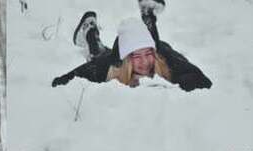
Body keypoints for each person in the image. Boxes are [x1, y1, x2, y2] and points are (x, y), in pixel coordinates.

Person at [51, 0, 212, 91]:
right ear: (127, 59)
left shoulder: (165, 58)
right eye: (136, 57)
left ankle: (148, 15)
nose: (144, 62)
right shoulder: (109, 66)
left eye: (147, 54)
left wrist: (180, 85)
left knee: (155, 46)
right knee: (99, 54)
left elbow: (202, 80)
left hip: (157, 47)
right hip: (114, 60)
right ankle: (90, 32)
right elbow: (65, 80)